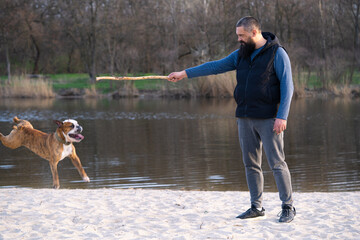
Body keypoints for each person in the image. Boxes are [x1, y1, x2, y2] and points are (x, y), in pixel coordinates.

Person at [168, 16, 296, 223]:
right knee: (251, 164)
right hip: (244, 117)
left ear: (254, 32)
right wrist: (184, 73)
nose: (239, 39)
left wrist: (282, 116)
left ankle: (288, 207)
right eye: (238, 36)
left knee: (277, 163)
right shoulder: (241, 54)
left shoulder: (277, 53)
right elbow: (215, 66)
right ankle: (256, 206)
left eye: (242, 35)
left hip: (270, 118)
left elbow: (287, 87)